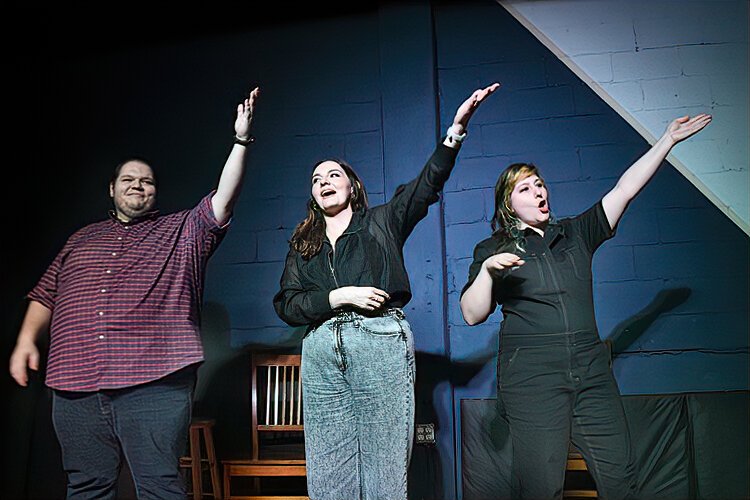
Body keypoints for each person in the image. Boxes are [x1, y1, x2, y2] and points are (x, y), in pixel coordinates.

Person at [9, 86, 260, 499]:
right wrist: (24, 341)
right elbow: (46, 292)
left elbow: (224, 200)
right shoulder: (80, 239)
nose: (137, 186)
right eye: (128, 179)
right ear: (112, 188)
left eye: (146, 181)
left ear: (155, 192)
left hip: (154, 381)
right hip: (75, 383)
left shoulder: (182, 230)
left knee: (159, 487)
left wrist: (241, 139)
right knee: (86, 486)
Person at [459, 112, 712, 500]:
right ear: (508, 205)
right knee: (541, 488)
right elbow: (472, 314)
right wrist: (489, 273)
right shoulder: (492, 250)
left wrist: (666, 140)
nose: (538, 191)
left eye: (539, 184)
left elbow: (624, 189)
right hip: (532, 378)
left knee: (621, 477)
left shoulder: (576, 233)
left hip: (591, 370)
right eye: (525, 188)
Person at [273, 83, 500, 499]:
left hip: (378, 343)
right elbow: (287, 304)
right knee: (328, 477)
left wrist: (455, 133)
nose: (323, 181)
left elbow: (425, 186)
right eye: (316, 179)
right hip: (322, 351)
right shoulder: (302, 244)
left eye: (333, 175)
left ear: (352, 188)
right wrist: (338, 297)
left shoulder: (382, 222)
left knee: (383, 472)